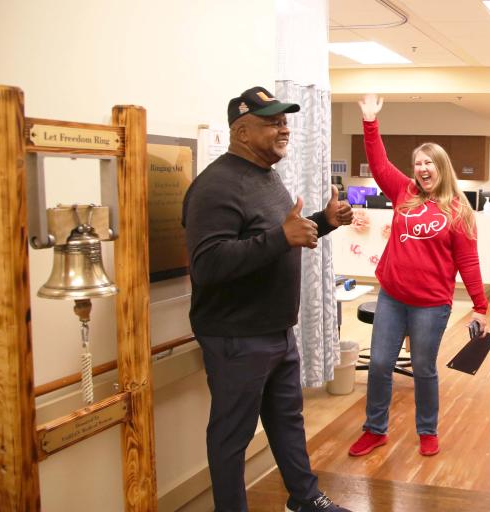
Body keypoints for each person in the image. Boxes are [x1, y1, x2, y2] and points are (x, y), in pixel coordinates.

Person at [182, 86, 354, 512]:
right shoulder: (214, 187)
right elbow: (208, 264)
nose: (284, 128)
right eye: (272, 122)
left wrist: (323, 221)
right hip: (236, 336)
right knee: (231, 437)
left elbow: (272, 236)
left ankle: (305, 497)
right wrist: (281, 237)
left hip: (277, 329)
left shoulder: (266, 175)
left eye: (284, 120)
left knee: (287, 421)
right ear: (241, 131)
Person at [348, 94, 489, 458]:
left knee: (424, 367)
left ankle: (427, 430)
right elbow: (378, 164)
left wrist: (480, 306)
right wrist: (370, 122)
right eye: (417, 163)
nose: (422, 168)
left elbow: (468, 261)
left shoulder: (458, 210)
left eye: (429, 162)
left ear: (442, 167)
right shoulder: (403, 192)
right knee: (380, 364)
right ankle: (375, 429)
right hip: (393, 296)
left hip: (431, 304)